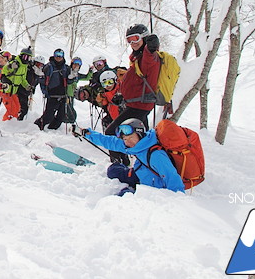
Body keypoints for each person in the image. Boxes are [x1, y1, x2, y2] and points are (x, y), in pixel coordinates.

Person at [79, 119, 184, 196]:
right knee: (113, 170)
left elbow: (173, 179)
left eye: (131, 137)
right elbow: (111, 142)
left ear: (140, 134)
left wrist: (175, 202)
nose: (128, 142)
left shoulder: (156, 155)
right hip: (142, 174)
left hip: (152, 188)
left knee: (122, 197)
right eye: (125, 139)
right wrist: (88, 134)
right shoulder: (136, 146)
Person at [103, 24, 160, 165]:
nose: (132, 43)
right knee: (141, 138)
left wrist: (151, 47)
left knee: (112, 132)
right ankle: (142, 164)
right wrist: (123, 96)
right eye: (129, 40)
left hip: (139, 106)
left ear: (144, 38)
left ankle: (120, 163)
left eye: (135, 39)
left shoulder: (147, 56)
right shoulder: (137, 58)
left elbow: (150, 58)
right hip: (136, 103)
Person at [34, 48, 72, 130]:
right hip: (52, 95)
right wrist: (44, 91)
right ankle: (37, 125)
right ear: (54, 55)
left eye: (60, 55)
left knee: (61, 116)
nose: (58, 57)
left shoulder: (66, 68)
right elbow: (42, 80)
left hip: (63, 95)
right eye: (57, 55)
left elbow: (70, 79)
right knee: (48, 116)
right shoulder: (48, 67)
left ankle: (52, 129)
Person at [1, 47, 33, 120]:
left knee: (18, 108)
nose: (26, 59)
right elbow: (3, 70)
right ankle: (6, 123)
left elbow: (22, 79)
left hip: (13, 91)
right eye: (25, 57)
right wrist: (10, 67)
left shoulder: (24, 67)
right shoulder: (15, 63)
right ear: (21, 56)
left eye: (29, 58)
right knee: (12, 109)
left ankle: (13, 123)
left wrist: (27, 86)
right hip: (6, 90)